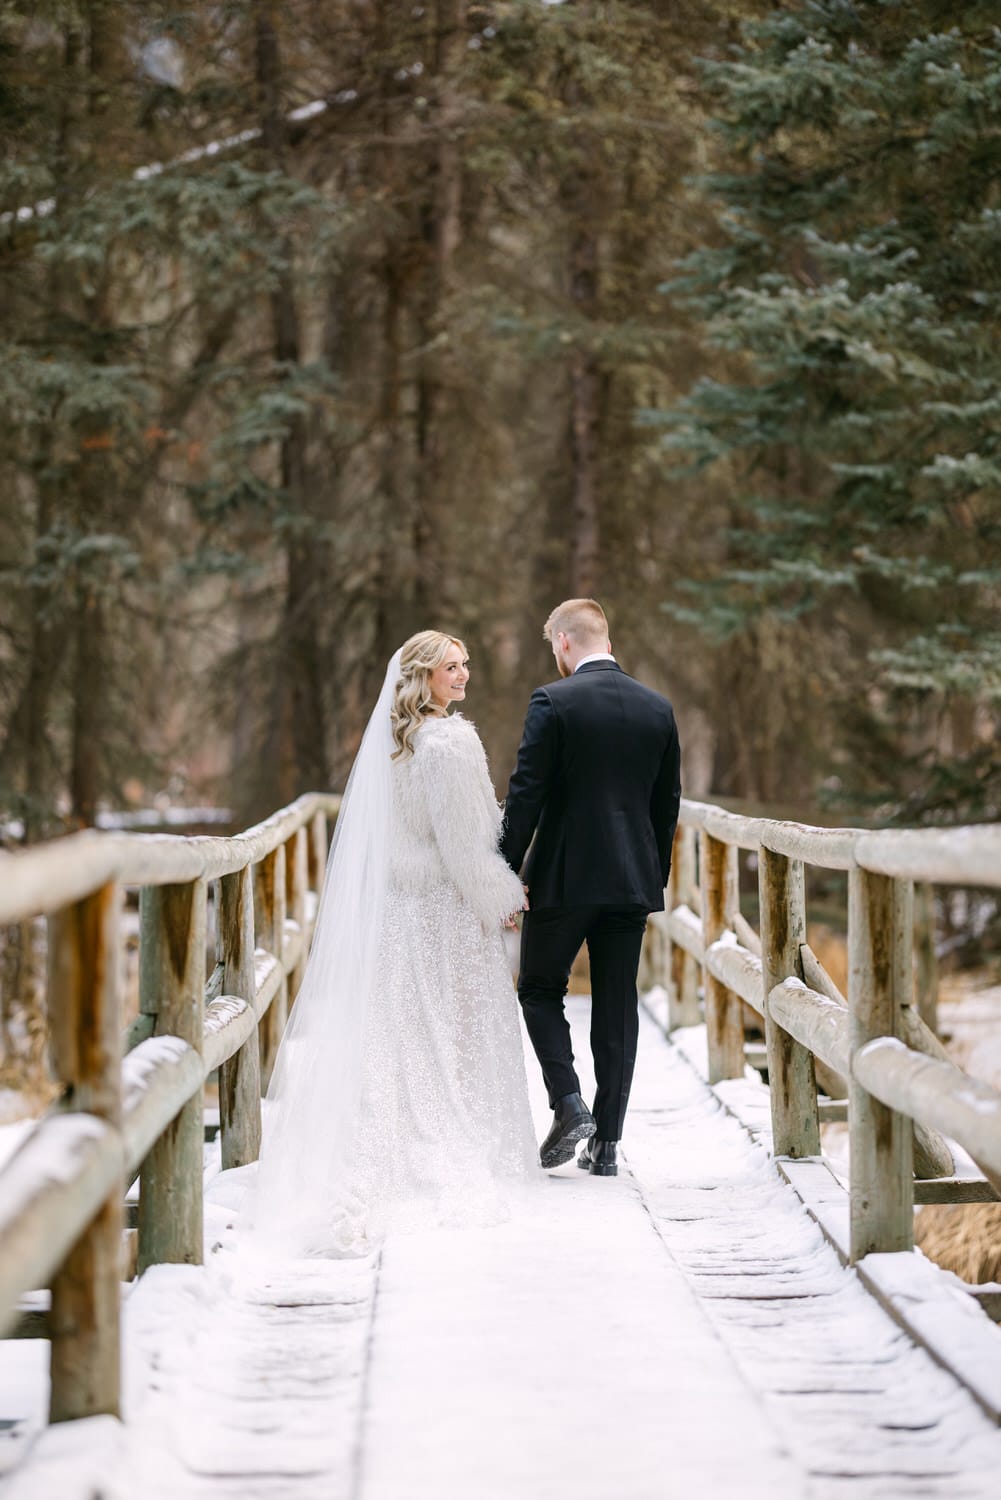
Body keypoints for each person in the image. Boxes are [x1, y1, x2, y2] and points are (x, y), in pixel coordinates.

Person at [253, 631, 536, 1257]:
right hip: (445, 915)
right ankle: (442, 1149)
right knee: (450, 1039)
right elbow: (465, 848)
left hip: (397, 917)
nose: (464, 676)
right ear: (423, 677)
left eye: (466, 665)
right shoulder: (451, 744)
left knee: (403, 1037)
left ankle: (386, 1155)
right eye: (450, 668)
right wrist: (507, 897)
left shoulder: (389, 745)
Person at [501, 599, 682, 1177]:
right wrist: (652, 876)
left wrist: (503, 875)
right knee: (616, 1001)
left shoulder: (552, 701)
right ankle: (607, 1143)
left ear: (562, 641)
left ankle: (568, 1101)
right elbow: (666, 805)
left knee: (538, 988)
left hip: (562, 878)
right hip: (630, 882)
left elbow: (526, 796)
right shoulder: (658, 709)